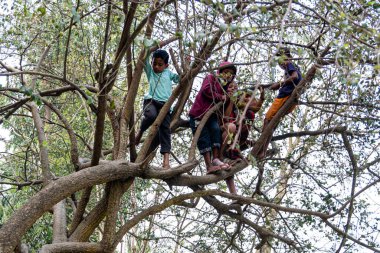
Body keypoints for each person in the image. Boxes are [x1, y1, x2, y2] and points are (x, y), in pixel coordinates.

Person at [189, 61, 237, 194]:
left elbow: (225, 109)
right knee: (203, 137)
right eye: (226, 72)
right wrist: (221, 96)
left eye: (231, 74)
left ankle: (216, 159)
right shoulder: (211, 78)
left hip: (212, 117)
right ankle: (209, 165)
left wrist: (229, 96)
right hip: (199, 114)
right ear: (220, 72)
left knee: (216, 130)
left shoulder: (225, 89)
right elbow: (206, 91)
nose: (228, 76)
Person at [135, 49, 180, 169]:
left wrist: (189, 66)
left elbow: (180, 78)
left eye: (160, 64)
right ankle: (141, 131)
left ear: (166, 65)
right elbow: (144, 57)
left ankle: (166, 161)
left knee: (165, 130)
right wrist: (152, 47)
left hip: (165, 106)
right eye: (154, 63)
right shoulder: (151, 72)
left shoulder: (168, 73)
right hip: (151, 101)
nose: (156, 66)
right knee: (150, 116)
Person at [257, 47, 302, 159]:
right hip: (290, 101)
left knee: (267, 119)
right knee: (272, 125)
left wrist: (280, 84)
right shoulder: (292, 68)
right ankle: (262, 151)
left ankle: (260, 148)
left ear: (289, 58)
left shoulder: (290, 66)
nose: (282, 63)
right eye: (279, 62)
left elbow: (294, 77)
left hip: (284, 97)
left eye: (283, 59)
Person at [221, 84, 265, 160]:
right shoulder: (237, 105)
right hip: (232, 131)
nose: (247, 99)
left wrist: (262, 96)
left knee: (250, 114)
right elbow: (240, 105)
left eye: (250, 98)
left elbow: (256, 107)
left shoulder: (250, 111)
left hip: (242, 135)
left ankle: (235, 151)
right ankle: (232, 152)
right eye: (245, 98)